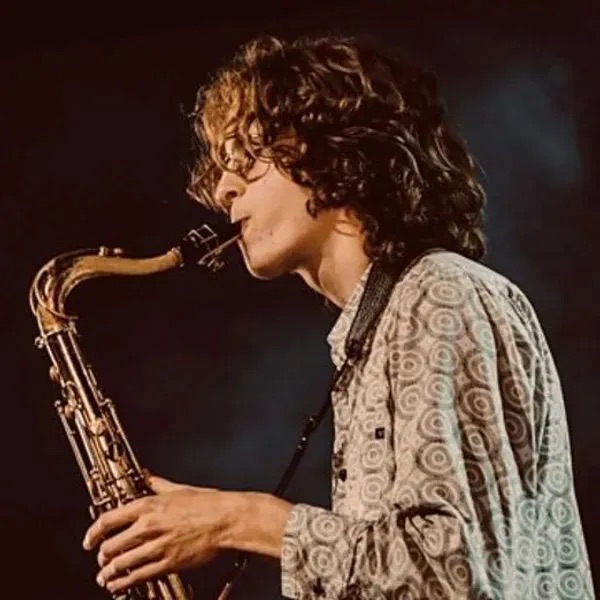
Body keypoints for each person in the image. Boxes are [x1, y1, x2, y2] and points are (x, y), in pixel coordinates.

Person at [82, 34, 595, 599]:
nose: (223, 189)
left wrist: (236, 520)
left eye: (244, 158)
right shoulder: (376, 330)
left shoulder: (442, 294)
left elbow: (452, 572)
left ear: (327, 151)